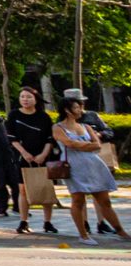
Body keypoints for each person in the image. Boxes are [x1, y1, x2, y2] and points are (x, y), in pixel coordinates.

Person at [54, 92, 120, 241]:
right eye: (76, 107)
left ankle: (118, 230)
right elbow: (68, 143)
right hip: (74, 166)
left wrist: (80, 145)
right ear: (67, 110)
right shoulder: (58, 127)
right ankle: (83, 233)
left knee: (104, 200)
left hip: (93, 164)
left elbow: (97, 144)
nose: (80, 109)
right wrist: (86, 145)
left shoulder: (86, 125)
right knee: (78, 200)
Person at [8, 86, 60, 235]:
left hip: (42, 158)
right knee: (23, 189)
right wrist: (24, 153)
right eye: (22, 96)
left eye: (29, 97)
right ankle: (23, 221)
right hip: (22, 158)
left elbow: (50, 139)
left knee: (46, 188)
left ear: (36, 99)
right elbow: (11, 137)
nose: (25, 99)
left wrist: (43, 154)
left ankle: (47, 222)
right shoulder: (14, 115)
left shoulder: (44, 117)